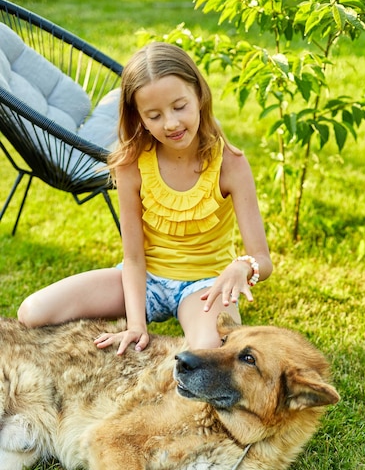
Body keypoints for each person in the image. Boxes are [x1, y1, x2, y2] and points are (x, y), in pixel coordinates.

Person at [18, 42, 272, 354]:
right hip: (146, 278)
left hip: (205, 286)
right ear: (138, 117)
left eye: (180, 107)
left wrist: (241, 267)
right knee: (32, 312)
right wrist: (136, 324)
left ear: (200, 96)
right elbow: (134, 258)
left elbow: (262, 259)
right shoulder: (131, 164)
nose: (171, 124)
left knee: (209, 351)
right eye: (154, 115)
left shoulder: (230, 163)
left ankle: (199, 331)